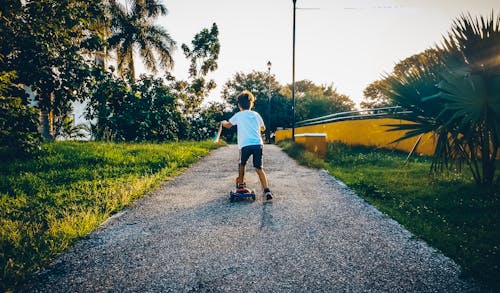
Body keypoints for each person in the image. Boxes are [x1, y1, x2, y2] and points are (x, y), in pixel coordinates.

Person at [221, 90, 273, 200]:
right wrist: (256, 128)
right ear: (251, 104)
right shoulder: (256, 114)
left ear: (239, 105)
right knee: (259, 167)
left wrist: (223, 122)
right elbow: (263, 128)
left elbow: (229, 125)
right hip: (258, 144)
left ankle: (240, 183)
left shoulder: (238, 115)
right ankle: (267, 190)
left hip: (245, 145)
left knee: (242, 164)